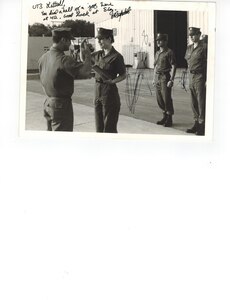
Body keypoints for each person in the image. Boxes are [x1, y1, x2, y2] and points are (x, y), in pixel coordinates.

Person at [38, 27, 92, 131]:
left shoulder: (43, 58)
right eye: (69, 41)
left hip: (48, 103)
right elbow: (85, 72)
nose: (70, 44)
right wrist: (88, 56)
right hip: (61, 106)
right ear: (63, 40)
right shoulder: (64, 59)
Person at [91, 27, 126, 133]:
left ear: (109, 39)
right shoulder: (98, 54)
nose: (99, 41)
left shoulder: (117, 56)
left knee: (109, 128)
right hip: (98, 91)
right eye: (98, 39)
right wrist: (83, 49)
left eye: (101, 39)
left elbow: (123, 75)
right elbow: (85, 59)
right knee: (99, 128)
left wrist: (112, 81)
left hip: (109, 92)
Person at [185, 27, 207, 136]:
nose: (192, 37)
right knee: (193, 102)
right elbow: (188, 63)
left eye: (194, 34)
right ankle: (196, 123)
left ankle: (202, 125)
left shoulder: (204, 48)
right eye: (190, 35)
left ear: (199, 34)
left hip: (200, 76)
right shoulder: (189, 48)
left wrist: (207, 79)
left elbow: (208, 64)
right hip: (191, 76)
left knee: (201, 101)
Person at [152, 33, 177, 127]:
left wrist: (171, 79)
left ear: (165, 41)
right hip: (158, 77)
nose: (158, 42)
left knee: (166, 98)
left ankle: (169, 118)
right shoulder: (157, 53)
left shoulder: (169, 52)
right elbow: (155, 66)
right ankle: (164, 116)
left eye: (160, 40)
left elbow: (174, 66)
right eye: (157, 40)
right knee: (159, 99)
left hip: (165, 77)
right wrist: (154, 78)